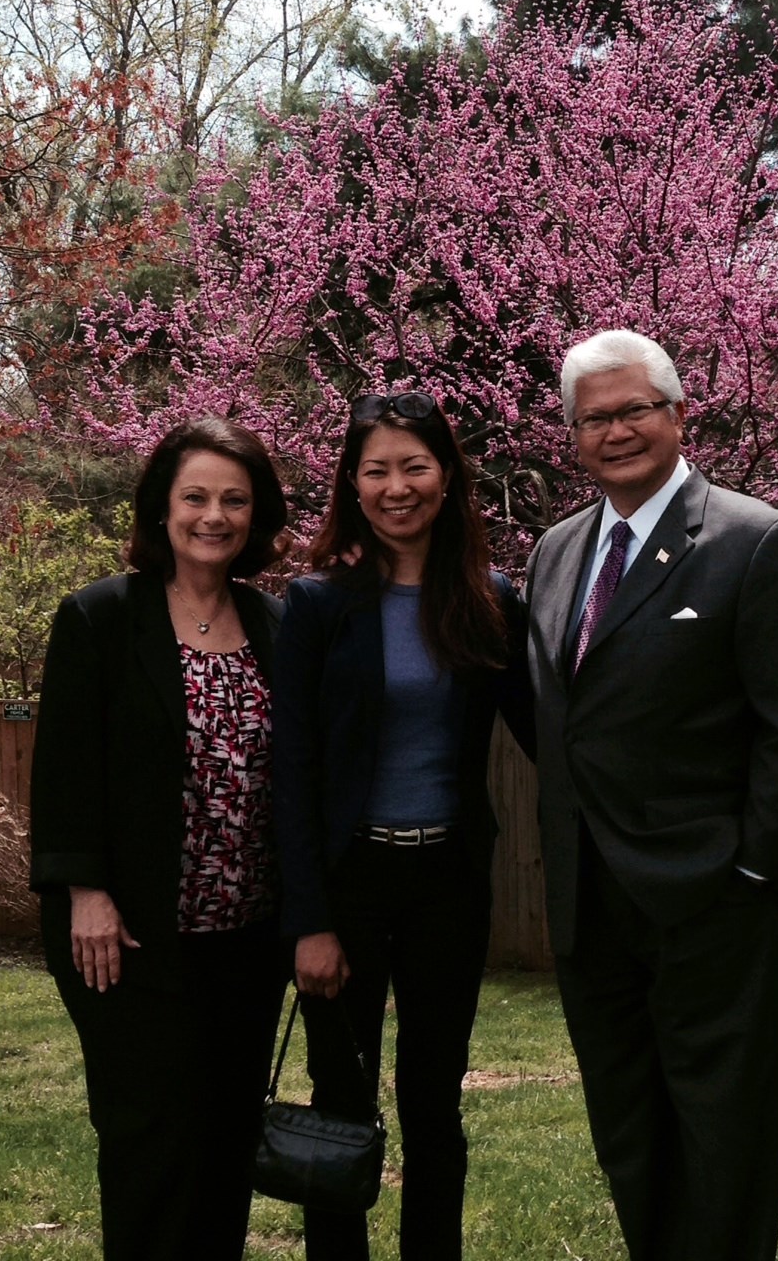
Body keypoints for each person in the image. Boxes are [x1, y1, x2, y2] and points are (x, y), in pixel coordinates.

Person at [525, 329, 778, 1261]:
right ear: (573, 435)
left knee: (723, 1139)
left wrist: (751, 871)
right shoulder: (556, 550)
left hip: (709, 898)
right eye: (596, 418)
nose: (616, 431)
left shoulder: (753, 540)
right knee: (630, 1134)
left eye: (635, 410)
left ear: (676, 415)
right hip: (589, 903)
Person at [272, 391, 534, 1261]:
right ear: (353, 481)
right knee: (339, 1101)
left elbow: (549, 734)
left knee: (434, 1102)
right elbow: (294, 769)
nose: (396, 487)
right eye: (376, 469)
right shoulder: (316, 605)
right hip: (348, 886)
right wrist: (308, 921)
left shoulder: (490, 597)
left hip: (446, 886)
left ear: (447, 475)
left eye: (414, 466)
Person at [29, 416, 290, 1261]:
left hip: (246, 943)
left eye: (234, 500)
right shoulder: (101, 618)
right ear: (160, 508)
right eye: (195, 496)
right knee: (150, 1142)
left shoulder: (276, 625)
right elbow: (67, 770)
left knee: (224, 1141)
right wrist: (87, 892)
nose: (214, 515)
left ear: (256, 515)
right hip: (132, 939)